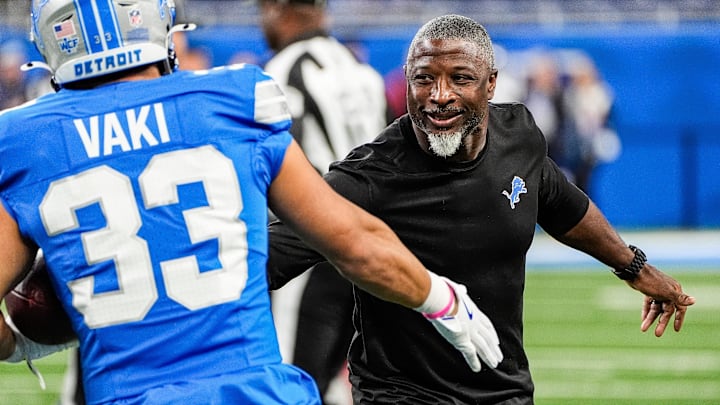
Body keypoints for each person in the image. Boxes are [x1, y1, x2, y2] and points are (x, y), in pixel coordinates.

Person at [0, 3, 502, 405]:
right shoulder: (230, 100)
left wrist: (26, 340)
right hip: (253, 392)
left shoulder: (25, 140)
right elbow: (355, 241)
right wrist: (441, 299)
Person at [266, 14, 696, 404]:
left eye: (460, 78)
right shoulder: (370, 175)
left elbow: (562, 204)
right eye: (424, 78)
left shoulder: (520, 136)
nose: (439, 96)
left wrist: (635, 267)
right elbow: (271, 253)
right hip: (401, 395)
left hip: (504, 390)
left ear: (491, 83)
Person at [258, 1, 389, 402]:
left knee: (289, 381)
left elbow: (274, 163)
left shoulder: (282, 70)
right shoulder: (361, 70)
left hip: (310, 247)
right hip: (367, 243)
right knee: (334, 379)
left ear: (279, 8)